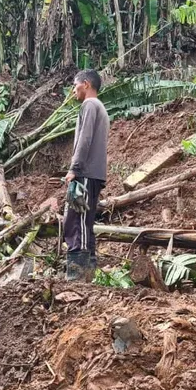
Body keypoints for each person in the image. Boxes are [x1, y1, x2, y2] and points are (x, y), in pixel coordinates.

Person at [64, 69, 109, 281]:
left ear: (86, 84)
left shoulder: (89, 105)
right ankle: (88, 276)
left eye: (75, 85)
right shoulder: (99, 107)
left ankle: (78, 277)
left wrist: (75, 168)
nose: (74, 90)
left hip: (86, 173)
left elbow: (84, 139)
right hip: (94, 174)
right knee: (86, 223)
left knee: (76, 221)